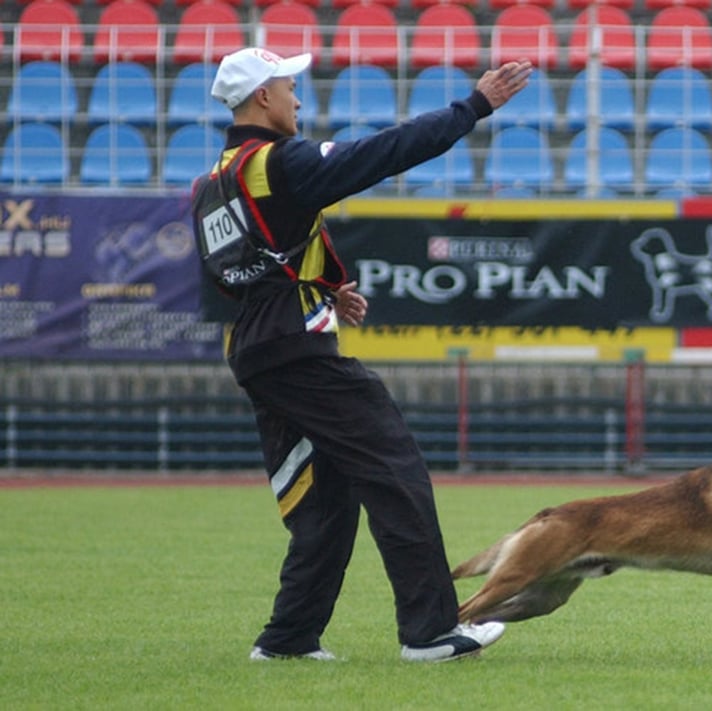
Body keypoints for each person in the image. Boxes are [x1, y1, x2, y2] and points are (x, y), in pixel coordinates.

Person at [190, 47, 531, 663]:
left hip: (256, 347)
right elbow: (381, 153)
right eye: (290, 87)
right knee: (393, 465)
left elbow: (238, 272)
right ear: (263, 96)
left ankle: (288, 640)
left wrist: (322, 288)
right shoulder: (279, 161)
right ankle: (429, 632)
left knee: (326, 499)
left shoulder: (212, 182)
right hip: (297, 348)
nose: (298, 99)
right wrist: (473, 107)